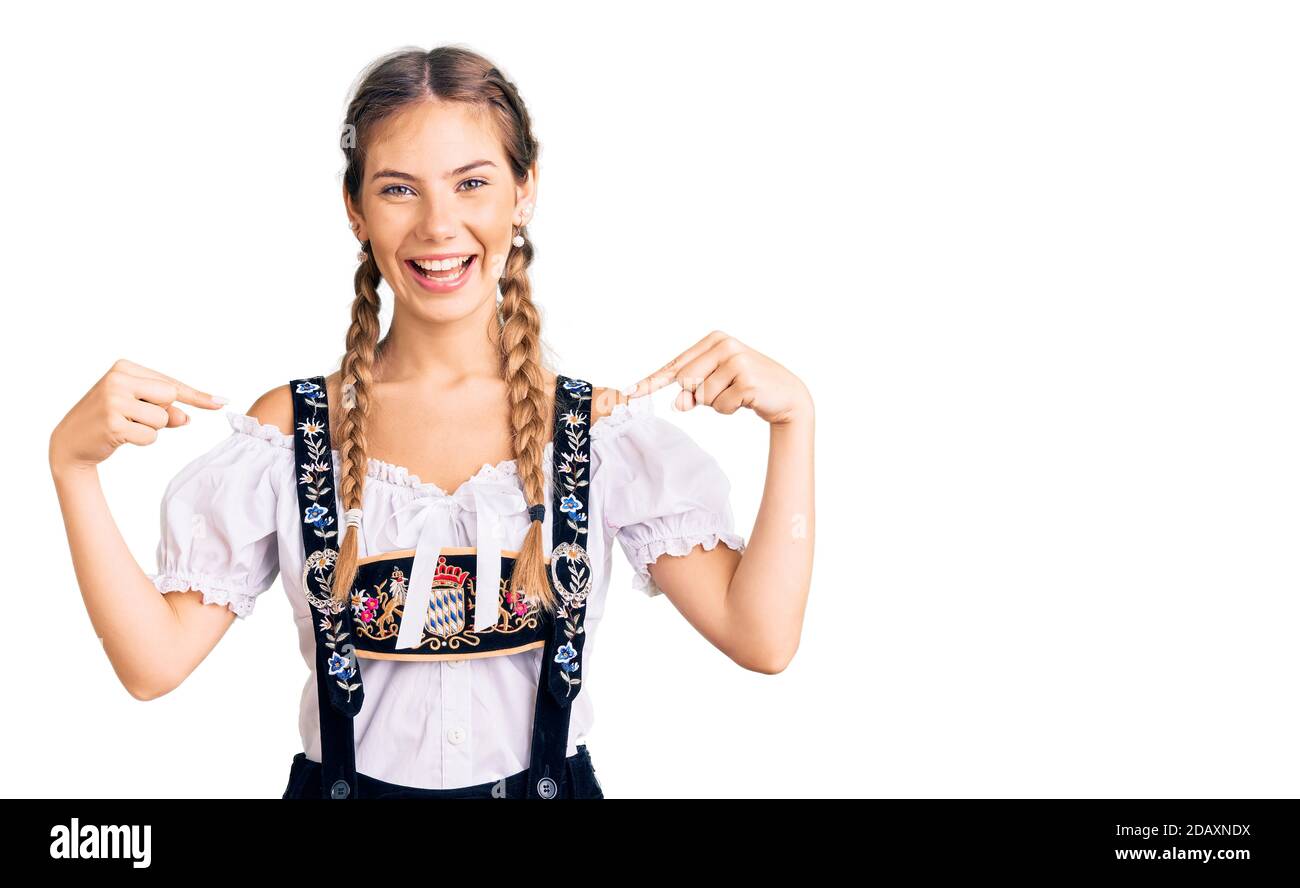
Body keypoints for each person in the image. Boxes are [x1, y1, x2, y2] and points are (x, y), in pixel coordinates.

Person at [48, 44, 816, 798]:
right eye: (399, 189)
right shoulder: (294, 432)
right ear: (355, 209)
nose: (439, 226)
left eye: (471, 183)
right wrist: (71, 466)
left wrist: (795, 420)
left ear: (525, 191)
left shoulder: (591, 434)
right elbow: (153, 665)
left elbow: (762, 638)